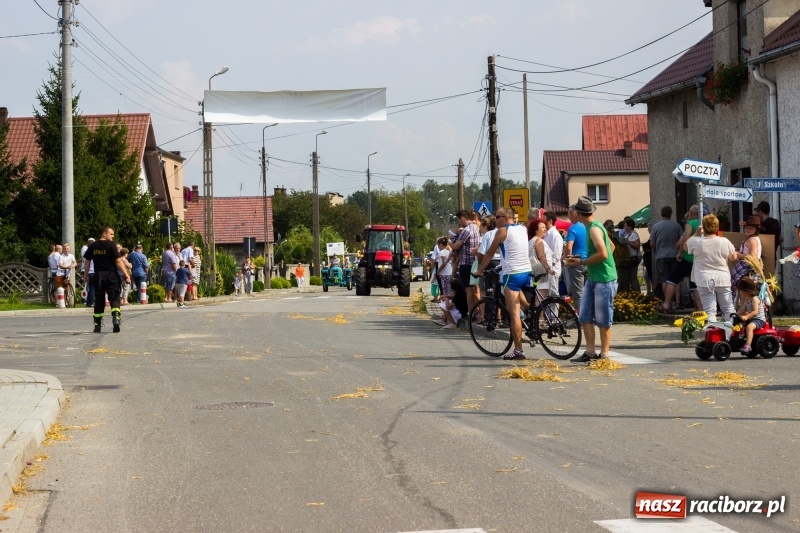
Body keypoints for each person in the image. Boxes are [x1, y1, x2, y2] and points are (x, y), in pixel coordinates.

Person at [565, 196, 618, 364]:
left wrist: (583, 262)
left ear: (578, 214)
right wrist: (591, 262)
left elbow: (603, 253)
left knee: (603, 318)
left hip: (604, 279)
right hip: (595, 277)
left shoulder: (594, 229)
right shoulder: (593, 227)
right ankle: (590, 352)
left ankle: (604, 355)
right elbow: (612, 247)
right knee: (585, 315)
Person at [475, 207, 532, 361]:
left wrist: (479, 270)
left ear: (506, 218)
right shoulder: (522, 229)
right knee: (520, 298)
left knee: (514, 314)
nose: (495, 220)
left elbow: (489, 254)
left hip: (512, 273)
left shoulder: (502, 231)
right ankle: (532, 309)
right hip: (526, 271)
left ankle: (518, 351)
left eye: (498, 217)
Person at [684, 214, 737, 320]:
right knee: (728, 308)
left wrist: (696, 234)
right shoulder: (724, 241)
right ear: (717, 227)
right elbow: (733, 257)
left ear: (703, 227)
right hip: (722, 277)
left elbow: (685, 246)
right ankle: (731, 328)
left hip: (704, 278)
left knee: (709, 311)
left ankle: (712, 328)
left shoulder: (696, 241)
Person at [83, 227, 130, 333]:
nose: (113, 236)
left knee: (99, 299)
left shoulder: (93, 246)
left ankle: (97, 325)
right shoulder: (111, 245)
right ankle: (116, 318)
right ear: (104, 234)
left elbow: (87, 262)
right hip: (111, 275)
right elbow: (118, 261)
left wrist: (85, 275)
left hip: (98, 275)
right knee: (114, 297)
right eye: (111, 234)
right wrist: (126, 274)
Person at [660, 205, 702, 313]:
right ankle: (699, 309)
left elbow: (686, 238)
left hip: (688, 257)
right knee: (695, 284)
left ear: (691, 213)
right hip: (698, 259)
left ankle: (666, 305)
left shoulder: (690, 223)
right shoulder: (703, 223)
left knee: (673, 279)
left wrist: (680, 252)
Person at [649, 206, 683, 305]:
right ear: (671, 214)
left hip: (661, 256)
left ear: (661, 214)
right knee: (676, 279)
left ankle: (668, 302)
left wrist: (658, 248)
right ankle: (678, 302)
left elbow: (652, 243)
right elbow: (682, 240)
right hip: (675, 255)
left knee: (664, 280)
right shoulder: (676, 226)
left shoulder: (656, 227)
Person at [450, 209, 481, 316]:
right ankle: (479, 312)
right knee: (475, 289)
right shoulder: (476, 228)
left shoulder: (466, 230)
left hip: (466, 262)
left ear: (463, 218)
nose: (459, 222)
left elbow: (456, 246)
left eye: (459, 220)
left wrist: (450, 242)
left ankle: (471, 312)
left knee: (468, 289)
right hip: (475, 262)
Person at [731, 215, 763, 295]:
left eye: (751, 228)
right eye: (746, 227)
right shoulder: (752, 238)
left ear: (756, 229)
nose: (748, 230)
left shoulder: (752, 240)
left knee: (746, 290)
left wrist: (738, 255)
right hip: (749, 266)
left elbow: (753, 256)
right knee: (746, 290)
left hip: (749, 267)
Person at [735, 277, 766, 356]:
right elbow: (742, 310)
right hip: (751, 319)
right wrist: (735, 314)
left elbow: (755, 312)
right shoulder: (747, 299)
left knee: (749, 327)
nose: (740, 293)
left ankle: (748, 345)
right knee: (738, 325)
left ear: (746, 291)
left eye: (741, 291)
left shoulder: (755, 299)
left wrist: (746, 317)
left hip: (758, 320)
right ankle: (739, 341)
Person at [528, 220, 558, 302]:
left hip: (534, 273)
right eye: (542, 227)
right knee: (540, 299)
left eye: (545, 227)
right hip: (541, 273)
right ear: (536, 230)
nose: (545, 229)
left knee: (537, 296)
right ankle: (539, 311)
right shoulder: (538, 240)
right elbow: (541, 256)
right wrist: (548, 269)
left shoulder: (531, 241)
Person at [564, 206, 587, 313]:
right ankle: (590, 316)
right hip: (588, 261)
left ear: (574, 214)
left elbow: (569, 247)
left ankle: (582, 318)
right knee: (588, 292)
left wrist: (567, 260)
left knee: (578, 293)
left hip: (576, 263)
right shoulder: (586, 226)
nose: (569, 218)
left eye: (569, 215)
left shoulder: (572, 228)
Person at [617, 217, 641, 293]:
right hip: (629, 258)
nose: (624, 227)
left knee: (633, 277)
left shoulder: (634, 234)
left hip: (634, 257)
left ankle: (636, 292)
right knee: (630, 277)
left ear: (630, 226)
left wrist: (628, 242)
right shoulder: (628, 234)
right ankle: (633, 292)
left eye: (625, 225)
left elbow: (637, 245)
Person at [80, 238, 96, 307]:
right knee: (93, 287)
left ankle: (89, 302)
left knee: (91, 287)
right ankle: (91, 301)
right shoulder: (95, 252)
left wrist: (85, 274)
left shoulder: (87, 252)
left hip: (90, 271)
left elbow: (86, 262)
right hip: (94, 271)